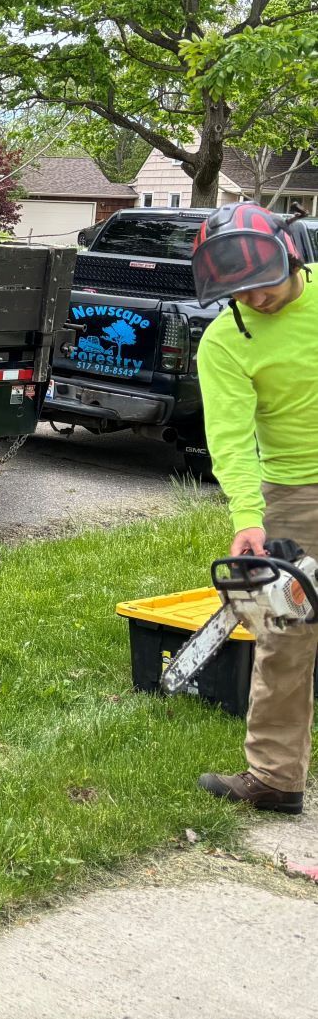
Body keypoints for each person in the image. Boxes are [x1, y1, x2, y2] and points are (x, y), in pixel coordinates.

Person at [191, 202, 318, 815]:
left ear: (289, 252)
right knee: (285, 636)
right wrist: (249, 516)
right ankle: (275, 777)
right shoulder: (224, 341)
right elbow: (233, 438)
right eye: (238, 292)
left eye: (261, 284)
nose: (254, 299)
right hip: (293, 493)